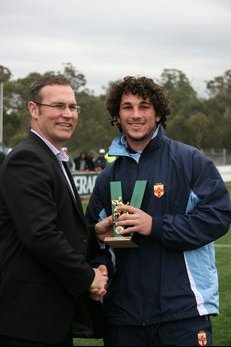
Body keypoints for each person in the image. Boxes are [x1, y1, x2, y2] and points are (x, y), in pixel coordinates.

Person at [86, 75, 231, 346]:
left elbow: (218, 217)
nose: (136, 114)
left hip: (182, 314)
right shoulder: (107, 177)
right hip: (123, 320)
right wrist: (100, 262)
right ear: (117, 114)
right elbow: (95, 245)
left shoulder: (189, 161)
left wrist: (156, 225)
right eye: (127, 107)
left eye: (144, 106)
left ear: (158, 113)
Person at [0, 74, 108, 346]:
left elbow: (58, 225)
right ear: (33, 110)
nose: (68, 114)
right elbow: (41, 235)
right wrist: (88, 278)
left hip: (49, 317)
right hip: (27, 322)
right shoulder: (27, 159)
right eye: (58, 106)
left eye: (73, 107)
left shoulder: (53, 157)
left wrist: (94, 232)